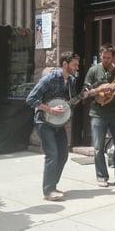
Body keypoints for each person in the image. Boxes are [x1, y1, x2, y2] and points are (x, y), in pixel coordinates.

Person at [26, 51, 81, 201]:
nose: (77, 68)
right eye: (74, 65)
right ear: (65, 64)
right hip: (43, 121)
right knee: (52, 155)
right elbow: (31, 99)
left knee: (63, 154)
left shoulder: (71, 81)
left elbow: (69, 102)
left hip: (58, 123)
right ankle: (48, 191)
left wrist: (83, 96)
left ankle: (53, 185)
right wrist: (51, 109)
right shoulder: (49, 78)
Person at [84, 44, 115, 188]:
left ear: (113, 57)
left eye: (109, 58)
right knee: (98, 147)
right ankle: (102, 176)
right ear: (100, 56)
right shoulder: (93, 70)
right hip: (97, 114)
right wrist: (98, 89)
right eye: (103, 57)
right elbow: (85, 92)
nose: (106, 60)